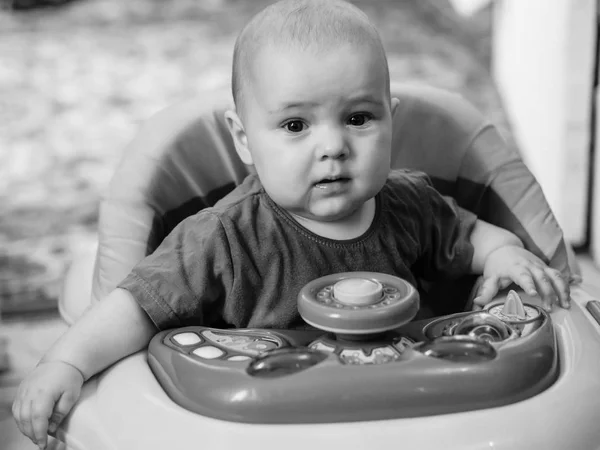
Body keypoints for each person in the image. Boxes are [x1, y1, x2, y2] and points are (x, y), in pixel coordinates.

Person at [12, 0, 570, 448]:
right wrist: (65, 361)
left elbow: (473, 235)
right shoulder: (222, 237)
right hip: (269, 424)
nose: (332, 147)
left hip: (405, 410)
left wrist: (503, 256)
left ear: (391, 119)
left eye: (358, 118)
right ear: (242, 138)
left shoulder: (411, 203)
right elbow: (132, 308)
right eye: (296, 124)